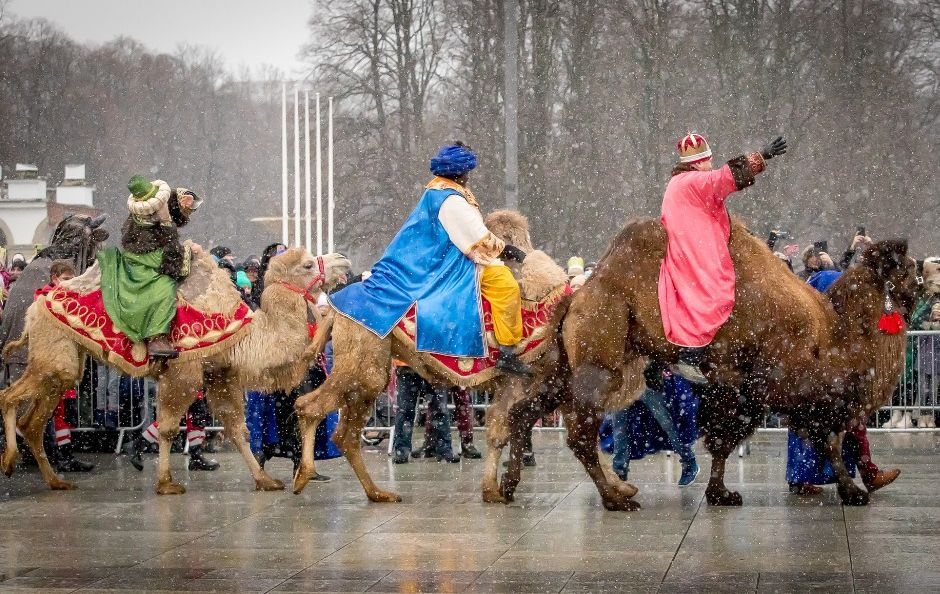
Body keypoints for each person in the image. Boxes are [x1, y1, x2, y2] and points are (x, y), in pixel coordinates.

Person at [329, 141, 532, 377]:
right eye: (467, 172)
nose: (468, 176)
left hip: (437, 259)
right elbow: (478, 239)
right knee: (505, 283)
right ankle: (507, 350)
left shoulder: (437, 193)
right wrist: (506, 249)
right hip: (450, 264)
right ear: (461, 173)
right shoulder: (451, 200)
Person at [659, 133, 788, 384]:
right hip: (694, 249)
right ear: (697, 162)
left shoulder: (679, 183)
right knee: (716, 294)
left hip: (688, 245)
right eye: (707, 160)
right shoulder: (693, 181)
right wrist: (761, 156)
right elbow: (724, 177)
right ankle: (690, 356)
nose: (710, 164)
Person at [786, 267, 900, 494]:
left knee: (817, 428)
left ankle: (803, 477)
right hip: (825, 386)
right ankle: (866, 473)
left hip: (813, 385)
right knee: (851, 426)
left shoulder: (813, 317)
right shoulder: (830, 322)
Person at [97, 176, 201, 359]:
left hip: (143, 258)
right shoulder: (149, 222)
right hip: (143, 262)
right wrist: (167, 224)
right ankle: (156, 336)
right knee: (165, 286)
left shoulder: (144, 221)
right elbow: (170, 257)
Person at [35, 260, 95, 472]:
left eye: (72, 279)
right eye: (66, 279)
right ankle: (52, 455)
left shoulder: (66, 298)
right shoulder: (44, 298)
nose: (70, 283)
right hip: (52, 362)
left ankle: (64, 456)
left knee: (62, 412)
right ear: (54, 278)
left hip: (64, 361)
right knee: (47, 411)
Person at [603, 363, 699, 486]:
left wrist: (656, 369)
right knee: (619, 428)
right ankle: (619, 469)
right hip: (623, 380)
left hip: (645, 378)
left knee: (668, 423)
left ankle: (689, 462)